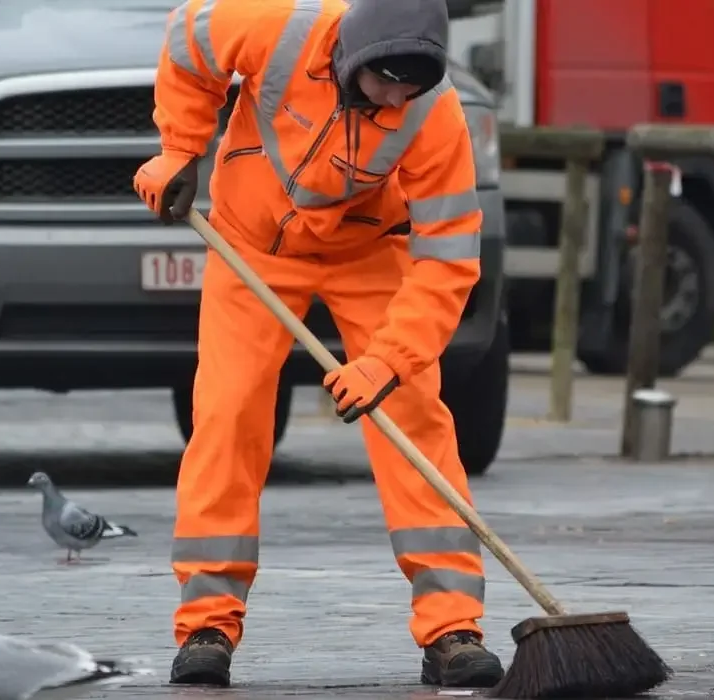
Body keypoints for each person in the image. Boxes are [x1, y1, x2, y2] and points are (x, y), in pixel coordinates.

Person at [133, 0, 502, 689]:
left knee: (412, 417)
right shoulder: (276, 26)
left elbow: (449, 258)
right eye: (385, 82)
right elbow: (188, 38)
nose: (396, 100)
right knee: (229, 413)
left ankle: (453, 629)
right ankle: (207, 626)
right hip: (251, 243)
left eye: (411, 87)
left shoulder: (434, 113)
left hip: (368, 251)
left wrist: (387, 360)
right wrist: (180, 148)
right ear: (352, 54)